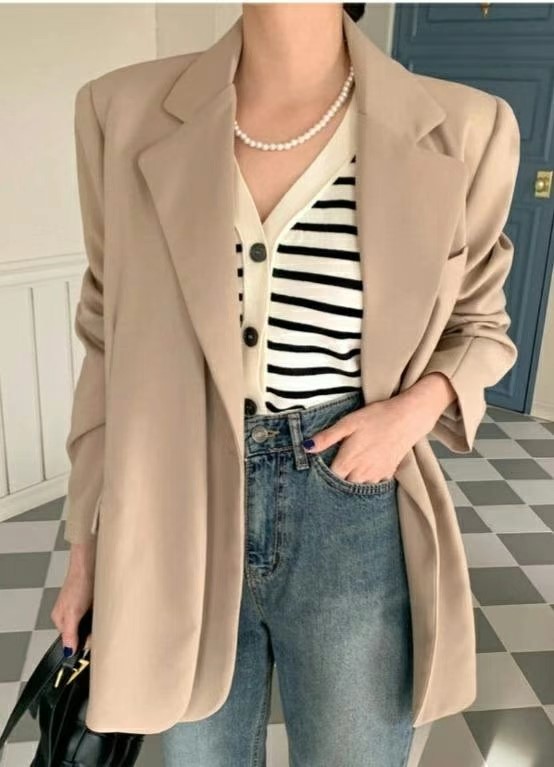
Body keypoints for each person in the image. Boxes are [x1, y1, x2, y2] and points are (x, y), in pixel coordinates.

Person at [52, 2, 520, 765]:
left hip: (349, 499)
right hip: (175, 506)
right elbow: (106, 342)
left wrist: (410, 413)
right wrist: (85, 550)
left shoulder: (466, 129)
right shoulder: (120, 112)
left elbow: (482, 328)